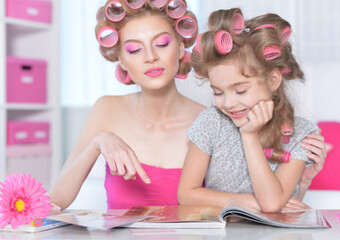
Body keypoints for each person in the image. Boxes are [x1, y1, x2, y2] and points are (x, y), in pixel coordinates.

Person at [50, 1, 325, 210]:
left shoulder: (215, 118)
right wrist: (98, 142)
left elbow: (267, 197)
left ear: (181, 48)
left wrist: (301, 184)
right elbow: (57, 201)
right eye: (134, 49)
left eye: (161, 43)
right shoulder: (106, 110)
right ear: (121, 59)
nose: (150, 57)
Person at [178, 8, 324, 212]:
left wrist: (249, 136)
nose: (228, 103)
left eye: (240, 90)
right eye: (218, 93)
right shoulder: (212, 120)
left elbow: (271, 204)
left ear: (273, 80)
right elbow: (186, 194)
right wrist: (247, 202)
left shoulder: (300, 133)